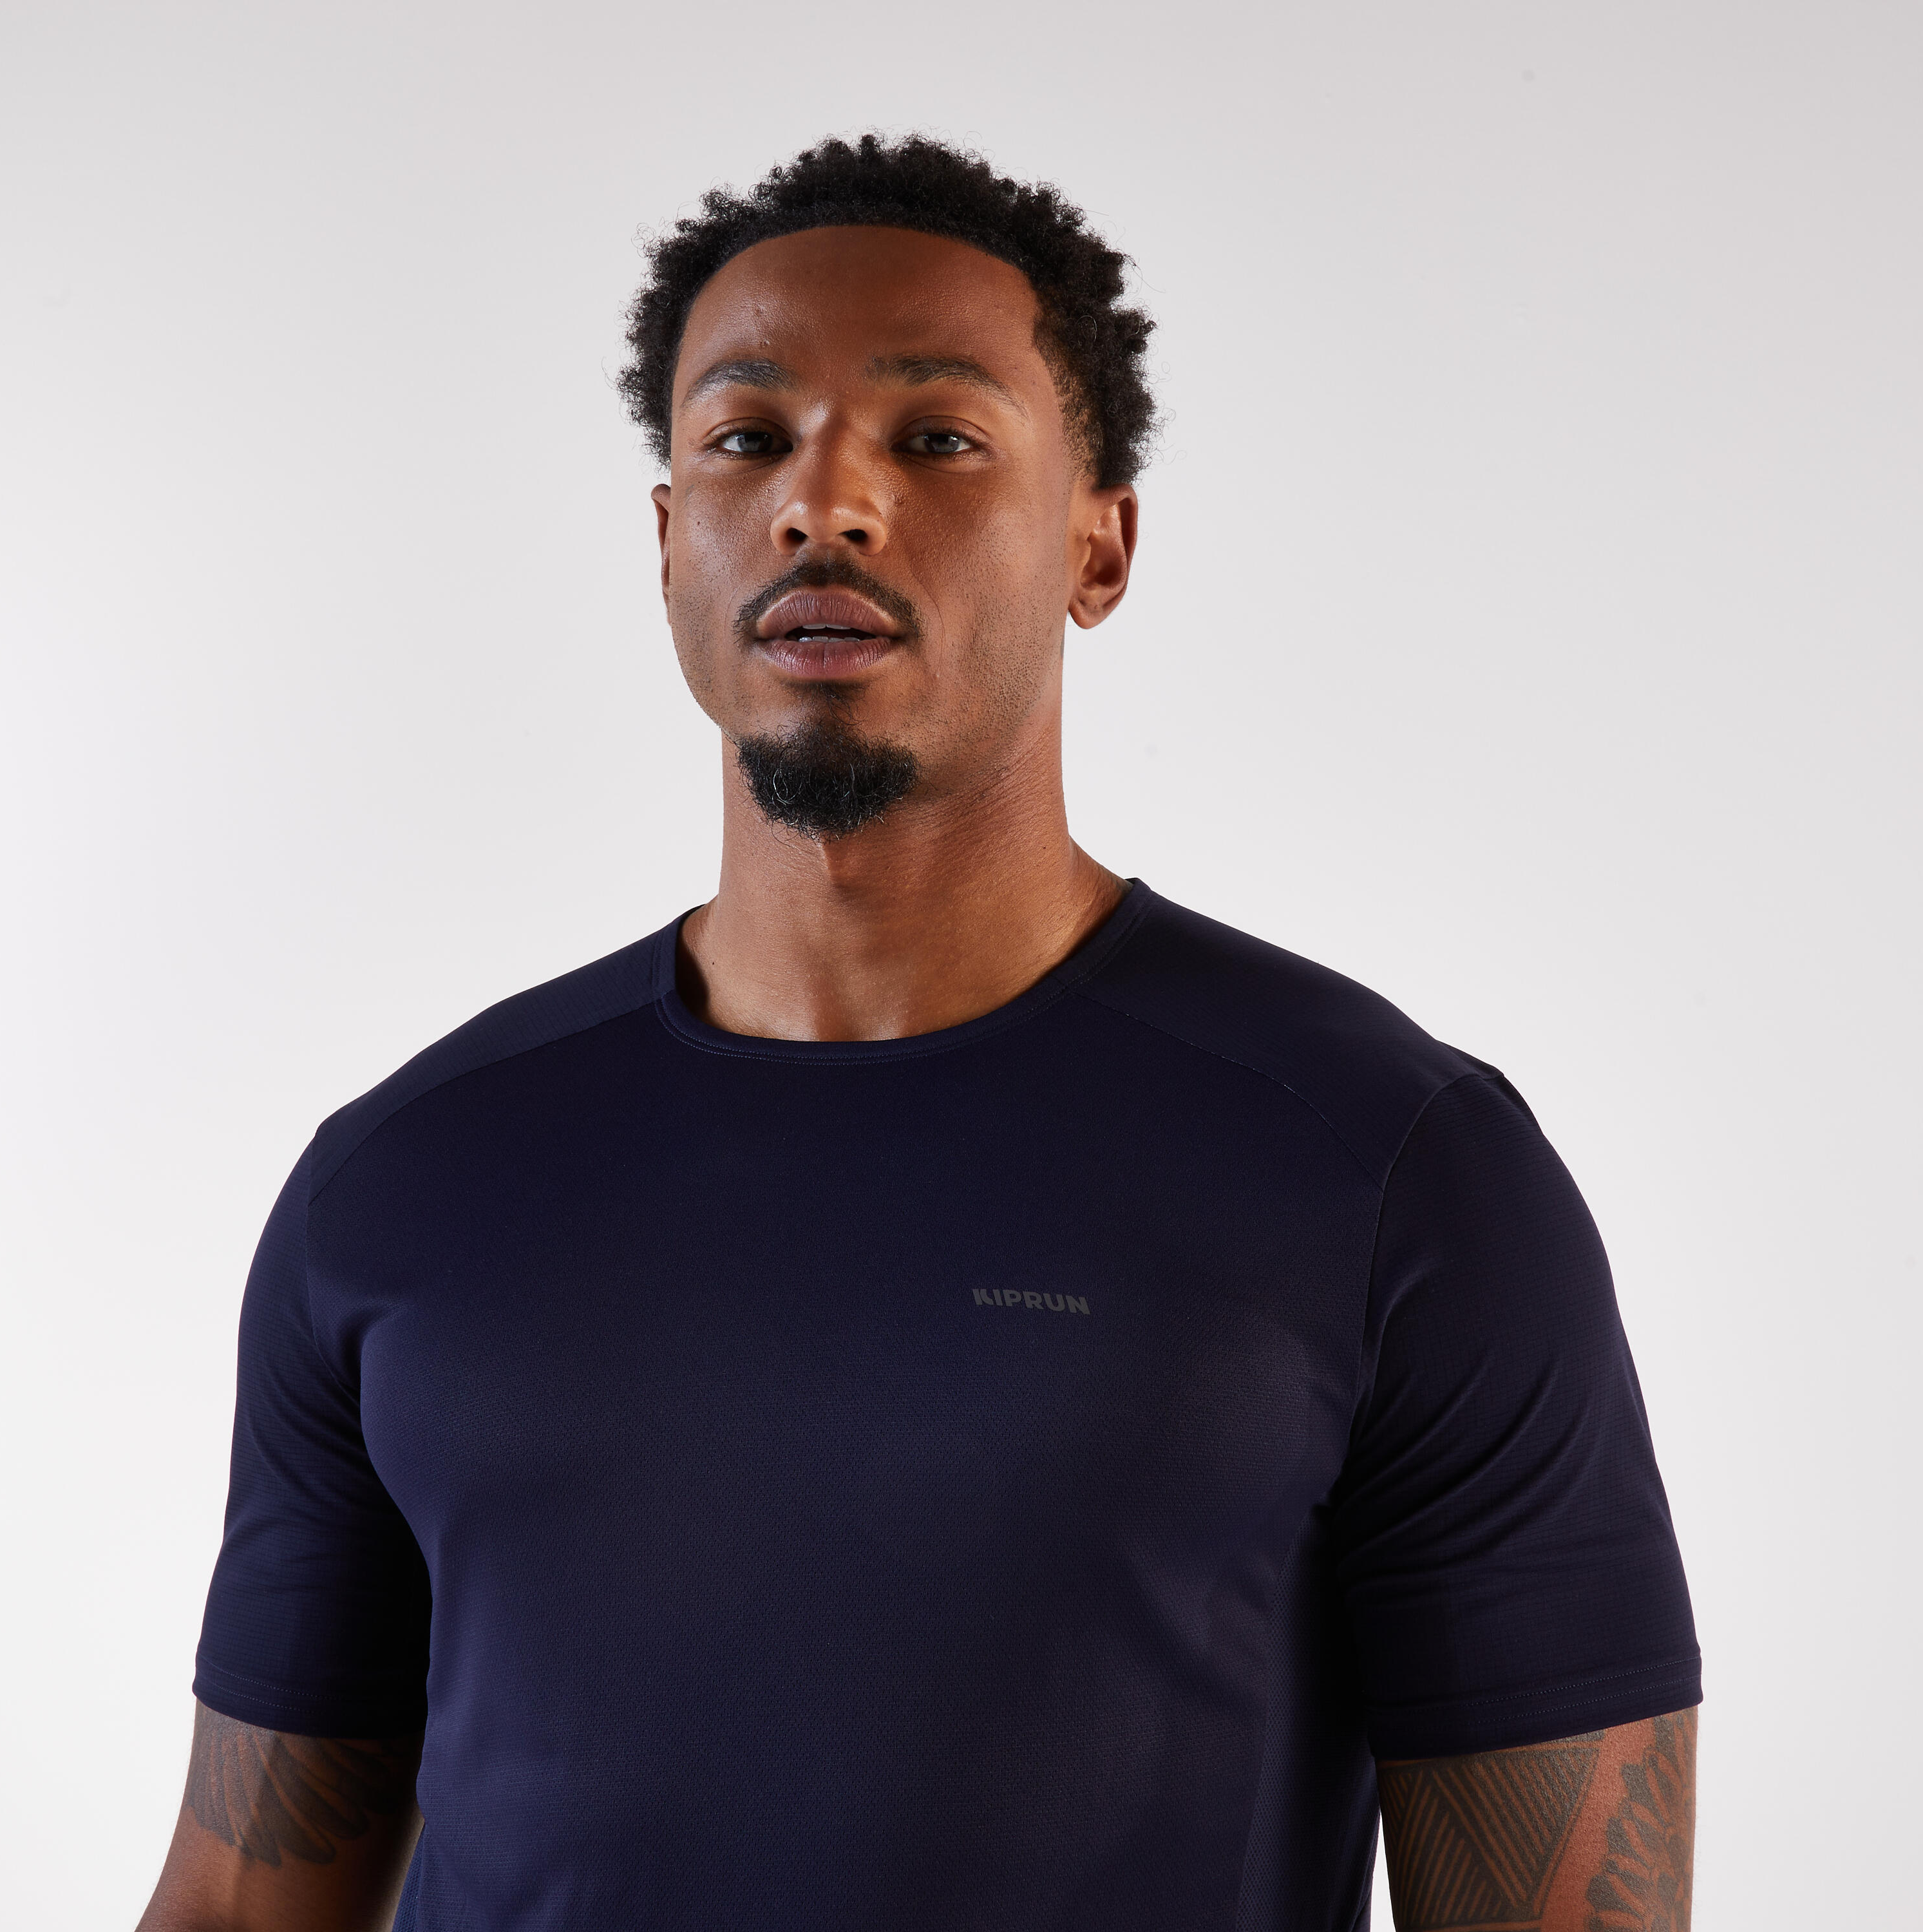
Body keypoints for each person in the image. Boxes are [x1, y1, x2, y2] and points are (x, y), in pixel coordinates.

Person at [137, 135, 1699, 1932]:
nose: (826, 504)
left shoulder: (1395, 1173)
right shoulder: (405, 1183)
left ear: (1099, 543)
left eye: (939, 438)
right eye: (746, 439)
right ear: (669, 542)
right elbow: (241, 1903)